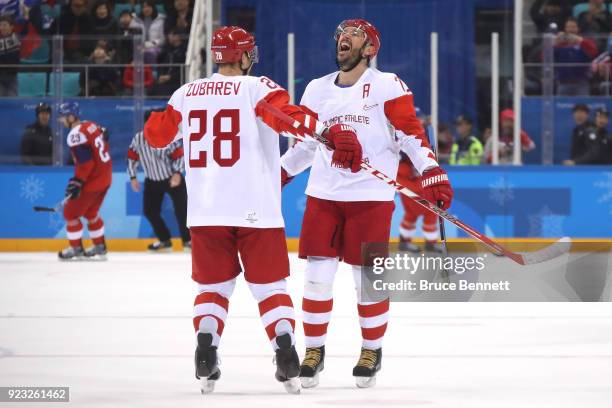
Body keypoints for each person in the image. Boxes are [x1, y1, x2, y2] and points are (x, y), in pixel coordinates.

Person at [143, 25, 362, 394]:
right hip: (255, 211)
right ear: (243, 56)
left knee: (212, 288)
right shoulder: (257, 87)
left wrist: (157, 118)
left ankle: (206, 346)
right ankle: (286, 351)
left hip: (205, 213)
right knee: (270, 287)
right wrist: (329, 133)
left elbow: (156, 136)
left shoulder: (185, 94)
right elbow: (291, 119)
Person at [280, 19, 453, 389]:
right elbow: (307, 145)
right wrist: (279, 174)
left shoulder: (387, 84)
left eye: (354, 35)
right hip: (323, 197)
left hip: (370, 199)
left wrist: (432, 172)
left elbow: (410, 135)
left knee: (368, 281)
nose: (343, 39)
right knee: (316, 279)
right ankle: (314, 350)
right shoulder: (316, 89)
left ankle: (371, 350)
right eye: (341, 34)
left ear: (370, 48)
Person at [128, 109, 190, 252]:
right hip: (152, 180)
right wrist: (132, 177)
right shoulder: (138, 139)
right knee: (150, 211)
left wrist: (177, 173)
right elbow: (132, 158)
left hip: (172, 178)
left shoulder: (167, 137)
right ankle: (165, 240)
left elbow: (180, 157)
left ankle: (188, 241)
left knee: (182, 210)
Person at [57, 102, 112, 260]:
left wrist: (78, 182)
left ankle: (75, 249)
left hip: (93, 181)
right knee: (91, 213)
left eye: (63, 117)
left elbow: (86, 164)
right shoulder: (91, 125)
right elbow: (105, 134)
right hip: (106, 177)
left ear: (71, 116)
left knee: (70, 214)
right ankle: (99, 246)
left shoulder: (75, 135)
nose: (61, 120)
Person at [553, 17, 599, 96]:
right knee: (561, 106)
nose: (571, 29)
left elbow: (594, 52)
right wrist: (555, 43)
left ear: (578, 29)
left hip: (581, 83)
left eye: (573, 27)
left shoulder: (584, 42)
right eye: (568, 27)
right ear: (565, 29)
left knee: (583, 106)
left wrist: (579, 40)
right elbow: (544, 57)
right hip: (563, 83)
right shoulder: (560, 44)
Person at [150, 27, 186, 96]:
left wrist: (170, 77)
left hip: (177, 81)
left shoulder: (184, 50)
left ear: (178, 36)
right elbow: (159, 64)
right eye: (169, 35)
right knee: (151, 90)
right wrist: (160, 76)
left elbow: (183, 70)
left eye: (172, 35)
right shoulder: (166, 49)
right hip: (164, 80)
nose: (169, 37)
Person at [0, 15, 20, 96]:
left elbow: (12, 58)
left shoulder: (16, 38)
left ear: (11, 27)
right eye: (0, 25)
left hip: (12, 76)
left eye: (4, 25)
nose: (2, 28)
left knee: (12, 101)